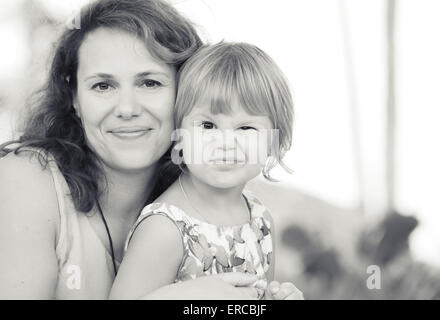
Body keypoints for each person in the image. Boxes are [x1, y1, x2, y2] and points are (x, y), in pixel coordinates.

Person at [0, 0, 264, 299]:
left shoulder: (209, 208)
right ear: (74, 98)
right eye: (103, 86)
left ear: (189, 93)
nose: (127, 109)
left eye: (149, 83)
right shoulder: (25, 181)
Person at [109, 42, 304, 300]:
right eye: (208, 125)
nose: (225, 143)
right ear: (178, 135)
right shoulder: (165, 229)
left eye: (246, 128)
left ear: (274, 143)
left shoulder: (259, 219)